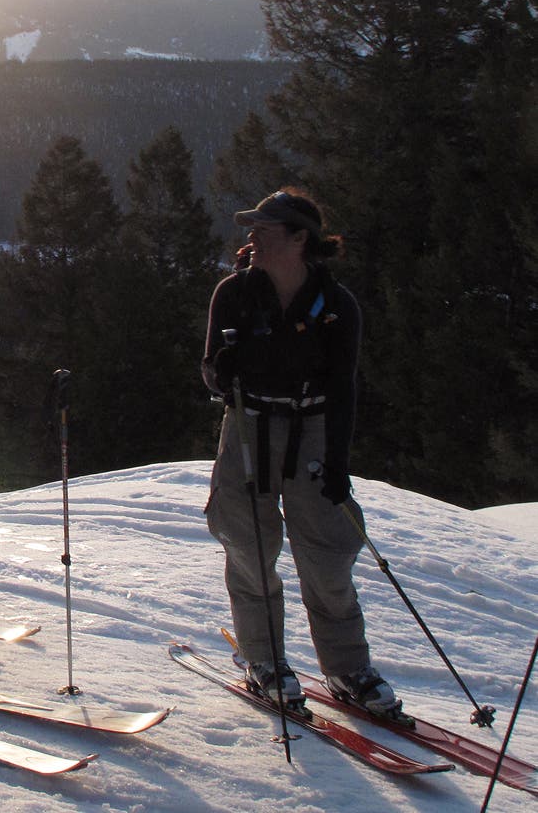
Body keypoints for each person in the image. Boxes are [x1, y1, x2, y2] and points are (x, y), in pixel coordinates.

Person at [201, 188, 401, 717]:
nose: (251, 239)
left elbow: (344, 387)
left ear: (299, 239)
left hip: (312, 425)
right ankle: (264, 660)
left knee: (329, 552)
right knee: (248, 542)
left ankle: (346, 667)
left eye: (263, 230)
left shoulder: (337, 305)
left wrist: (338, 462)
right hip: (249, 424)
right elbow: (211, 370)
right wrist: (220, 373)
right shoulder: (234, 293)